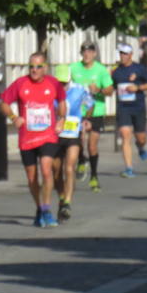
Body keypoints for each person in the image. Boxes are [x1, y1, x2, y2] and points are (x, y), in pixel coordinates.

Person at [0, 52, 67, 228]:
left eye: (38, 66)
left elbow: (61, 101)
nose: (34, 70)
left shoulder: (53, 83)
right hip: (27, 138)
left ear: (45, 67)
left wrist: (61, 119)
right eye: (31, 67)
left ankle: (46, 210)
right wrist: (14, 117)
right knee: (31, 178)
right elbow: (4, 103)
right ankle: (39, 208)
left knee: (46, 168)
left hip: (48, 135)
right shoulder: (21, 84)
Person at [52, 65, 95, 222]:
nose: (62, 86)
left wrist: (86, 119)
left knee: (69, 167)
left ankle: (67, 204)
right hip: (56, 135)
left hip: (72, 133)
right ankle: (62, 198)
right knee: (56, 172)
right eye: (59, 83)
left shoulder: (79, 89)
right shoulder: (51, 90)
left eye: (65, 83)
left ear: (69, 80)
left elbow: (91, 104)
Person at [69, 41, 113, 191]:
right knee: (78, 140)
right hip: (77, 112)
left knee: (92, 145)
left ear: (94, 53)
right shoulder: (74, 68)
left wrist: (98, 90)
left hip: (96, 111)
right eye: (84, 51)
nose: (87, 54)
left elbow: (110, 90)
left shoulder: (101, 70)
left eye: (90, 51)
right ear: (81, 53)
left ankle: (94, 176)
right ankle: (82, 159)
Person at [110, 43, 147, 178]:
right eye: (121, 53)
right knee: (125, 134)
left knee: (141, 137)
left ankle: (140, 146)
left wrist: (138, 88)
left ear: (131, 55)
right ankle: (128, 168)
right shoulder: (116, 72)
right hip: (123, 108)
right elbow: (110, 87)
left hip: (138, 107)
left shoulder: (139, 69)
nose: (122, 56)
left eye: (125, 53)